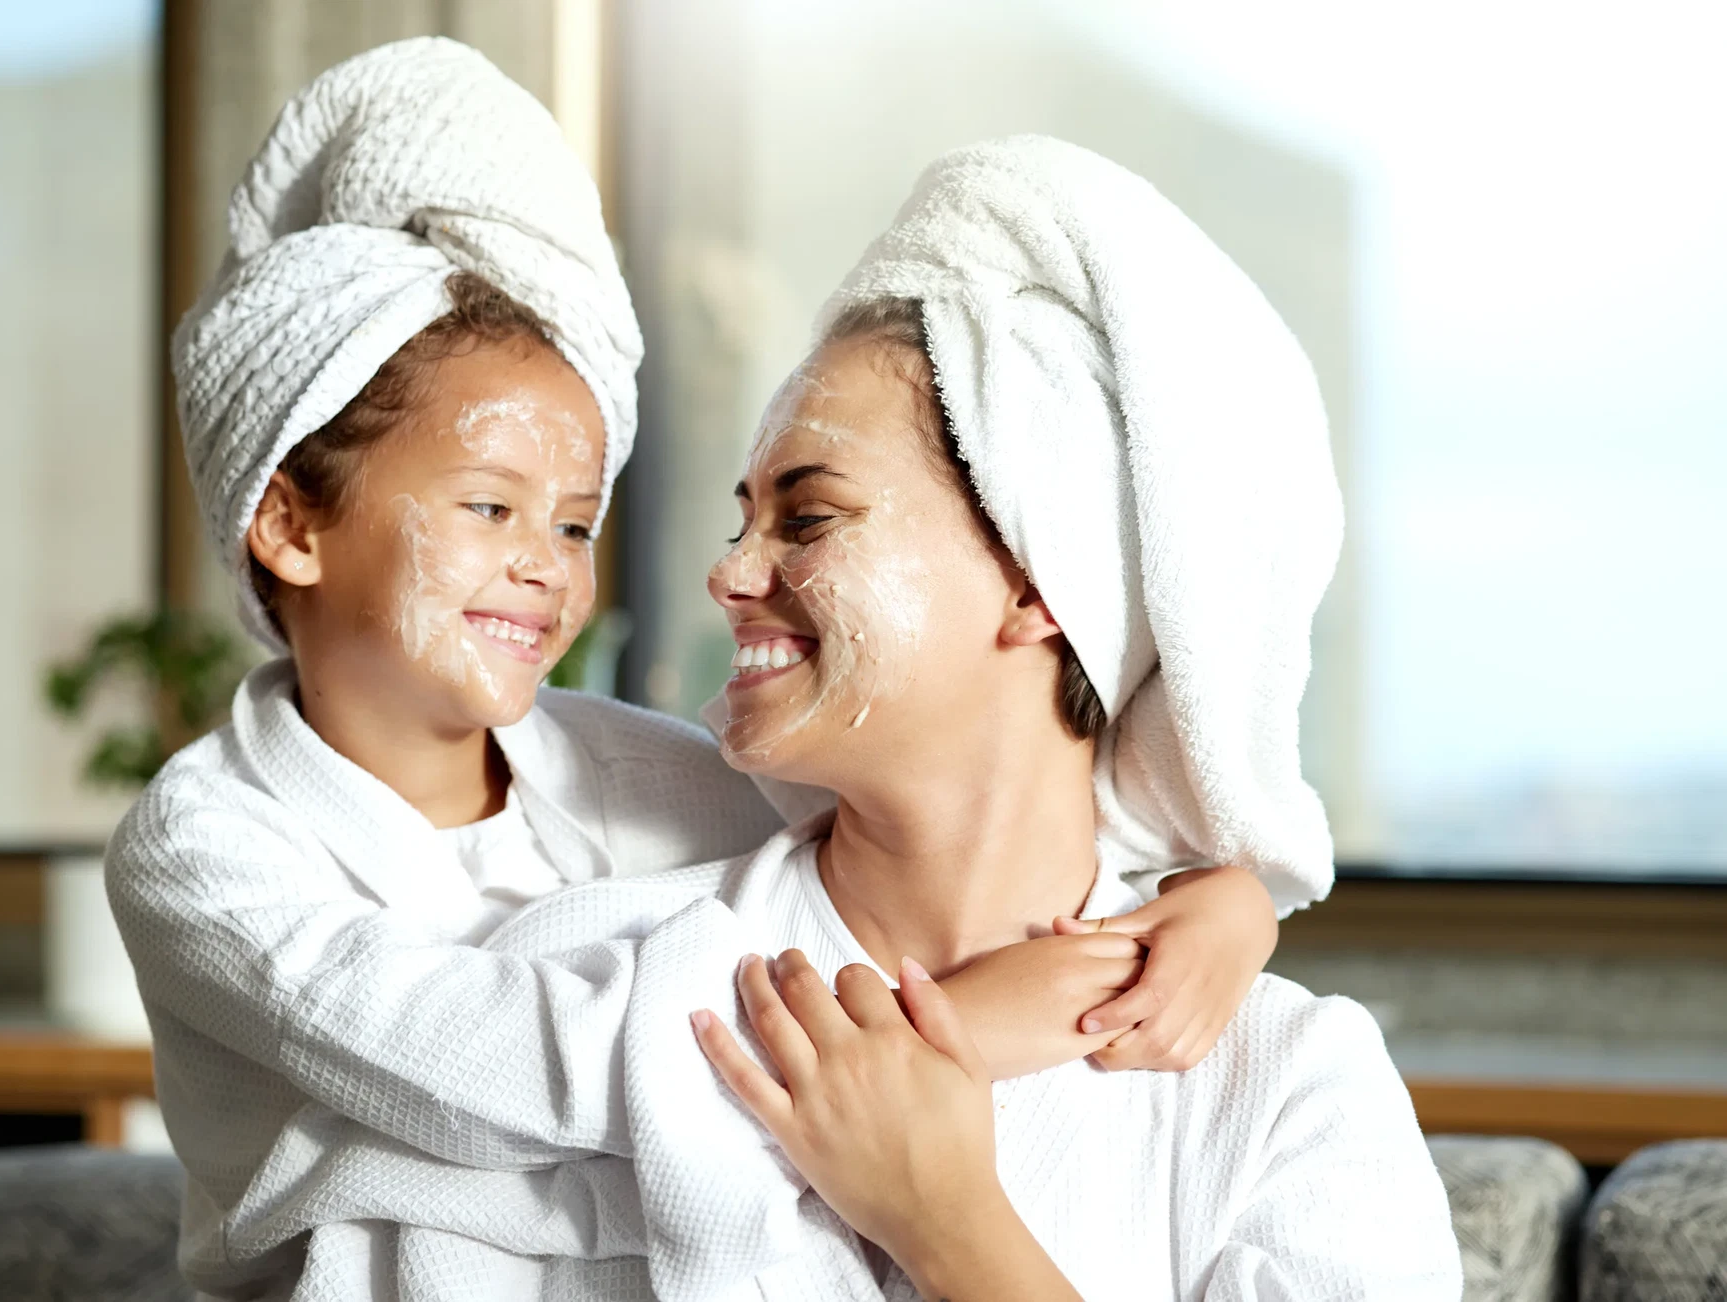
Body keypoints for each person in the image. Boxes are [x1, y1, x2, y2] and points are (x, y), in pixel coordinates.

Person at [108, 40, 1304, 1298]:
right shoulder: (207, 846)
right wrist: (964, 1032)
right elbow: (488, 1065)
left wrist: (1228, 898)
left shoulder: (643, 783)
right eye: (487, 508)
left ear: (1037, 587)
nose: (548, 567)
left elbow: (954, 824)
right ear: (290, 525)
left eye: (574, 524)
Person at [367, 136, 1458, 1299]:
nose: (731, 574)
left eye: (810, 516)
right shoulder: (589, 983)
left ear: (1044, 582)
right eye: (743, 520)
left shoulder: (1282, 1086)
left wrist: (952, 1228)